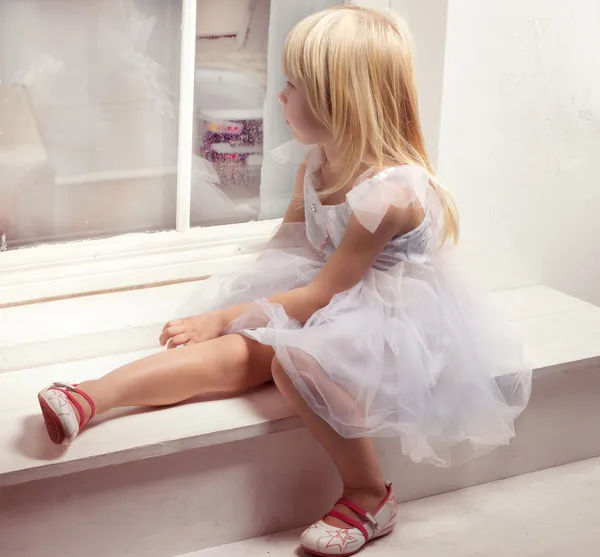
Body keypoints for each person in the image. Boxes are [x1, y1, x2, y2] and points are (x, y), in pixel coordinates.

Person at [37, 6, 531, 556]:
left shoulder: (389, 196)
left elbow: (325, 294)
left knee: (292, 364)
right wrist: (243, 308)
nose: (280, 96)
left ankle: (369, 494)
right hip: (334, 287)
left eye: (292, 85)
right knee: (242, 349)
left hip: (390, 317)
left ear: (339, 98)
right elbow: (290, 250)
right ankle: (91, 398)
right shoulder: (316, 165)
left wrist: (225, 315)